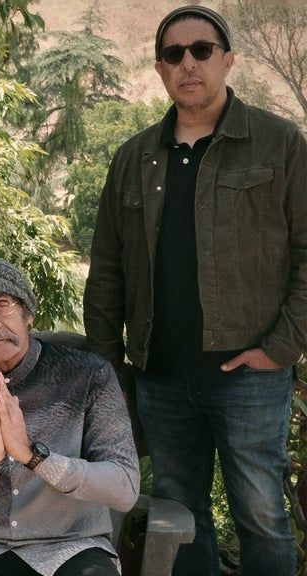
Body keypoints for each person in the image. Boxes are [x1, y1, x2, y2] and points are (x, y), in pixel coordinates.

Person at [83, 5, 305, 574]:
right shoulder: (133, 157)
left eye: (202, 50)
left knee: (262, 517)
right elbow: (106, 271)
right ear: (160, 68)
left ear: (227, 60)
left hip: (251, 377)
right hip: (160, 378)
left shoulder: (280, 145)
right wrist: (110, 368)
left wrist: (281, 347)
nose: (188, 63)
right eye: (174, 53)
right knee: (178, 518)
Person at [0, 257, 139, 576]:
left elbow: (124, 486)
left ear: (28, 314)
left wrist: (34, 457)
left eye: (2, 305)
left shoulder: (88, 376)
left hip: (71, 546)